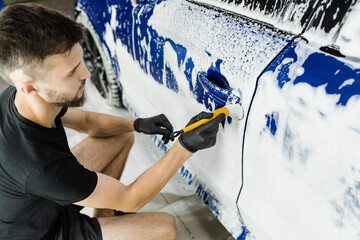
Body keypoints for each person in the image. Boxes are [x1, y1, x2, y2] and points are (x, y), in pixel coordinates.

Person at [0, 3, 225, 240]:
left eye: (81, 61)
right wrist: (185, 147)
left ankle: (103, 220)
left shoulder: (20, 99)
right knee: (164, 228)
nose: (86, 73)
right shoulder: (42, 167)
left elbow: (86, 121)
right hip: (41, 233)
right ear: (30, 87)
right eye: (71, 72)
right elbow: (131, 198)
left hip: (41, 201)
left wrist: (137, 124)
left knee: (119, 135)